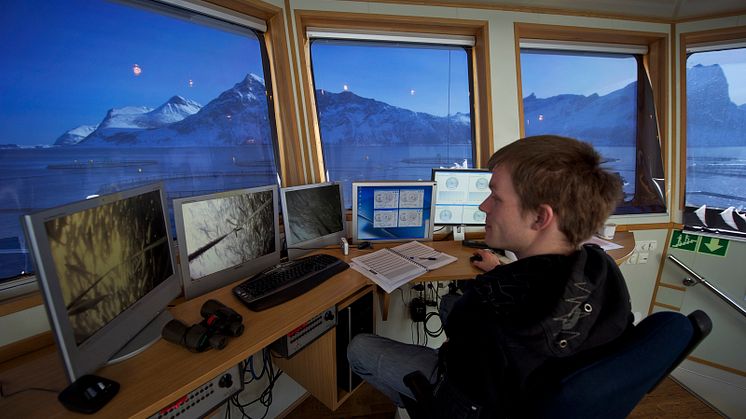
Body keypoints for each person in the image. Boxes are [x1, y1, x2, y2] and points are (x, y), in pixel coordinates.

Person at [346, 135, 633, 418]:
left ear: (540, 218)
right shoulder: (602, 267)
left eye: (496, 197)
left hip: (472, 403)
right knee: (448, 303)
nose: (484, 206)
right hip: (536, 385)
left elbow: (464, 342)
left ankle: (420, 401)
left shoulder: (485, 303)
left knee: (359, 348)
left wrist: (491, 290)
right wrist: (501, 272)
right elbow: (550, 294)